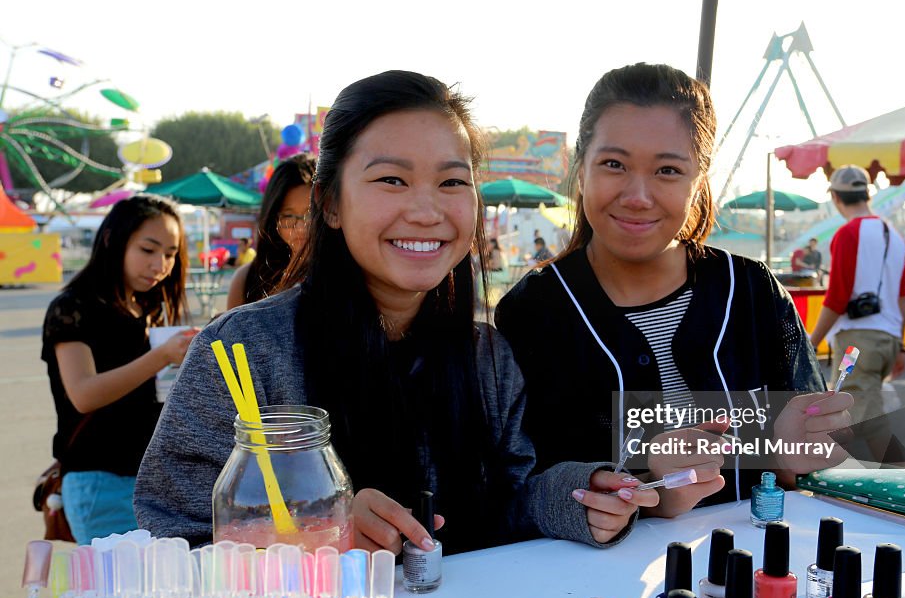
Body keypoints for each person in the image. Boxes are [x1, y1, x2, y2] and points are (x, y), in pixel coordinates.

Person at [135, 70, 649, 553]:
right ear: (330, 204)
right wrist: (318, 532)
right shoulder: (243, 353)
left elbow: (507, 503)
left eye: (452, 182)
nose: (427, 212)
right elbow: (170, 530)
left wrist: (580, 494)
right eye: (391, 181)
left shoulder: (487, 356)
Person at [496, 63, 852, 518]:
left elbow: (804, 469)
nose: (638, 195)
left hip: (750, 572)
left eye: (667, 170)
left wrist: (797, 453)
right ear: (579, 169)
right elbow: (518, 492)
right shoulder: (532, 314)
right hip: (592, 583)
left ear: (698, 181)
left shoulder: (753, 293)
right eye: (614, 164)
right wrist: (648, 487)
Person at [41, 195, 199, 543]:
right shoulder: (72, 308)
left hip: (153, 481)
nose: (160, 264)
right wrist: (162, 357)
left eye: (171, 254)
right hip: (100, 480)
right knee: (121, 593)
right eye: (148, 249)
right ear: (113, 240)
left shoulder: (148, 311)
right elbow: (83, 394)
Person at [808, 165, 905, 424]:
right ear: (868, 195)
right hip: (889, 341)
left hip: (857, 343)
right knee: (871, 415)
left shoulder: (848, 233)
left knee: (857, 423)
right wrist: (901, 346)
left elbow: (837, 297)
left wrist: (812, 342)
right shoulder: (894, 236)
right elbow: (901, 297)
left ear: (836, 198)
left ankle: (886, 464)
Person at [227, 153, 316, 309]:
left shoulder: (353, 275)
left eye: (311, 214)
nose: (301, 228)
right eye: (288, 216)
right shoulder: (246, 280)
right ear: (272, 218)